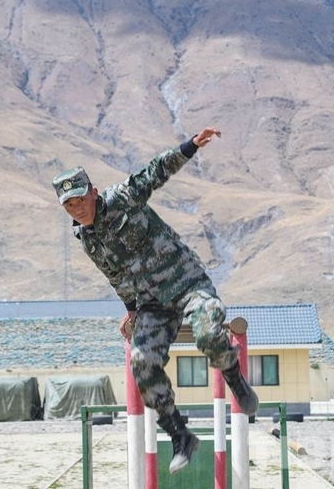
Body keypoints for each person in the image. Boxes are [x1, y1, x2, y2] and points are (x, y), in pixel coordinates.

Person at [51, 127, 258, 474]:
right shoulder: (86, 239)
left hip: (187, 282)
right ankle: (180, 435)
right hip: (152, 302)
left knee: (208, 334)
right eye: (70, 205)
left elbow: (156, 171)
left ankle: (235, 381)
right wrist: (131, 310)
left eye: (81, 200)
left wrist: (190, 146)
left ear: (94, 193)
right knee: (142, 361)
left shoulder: (122, 198)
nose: (78, 209)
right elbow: (115, 276)